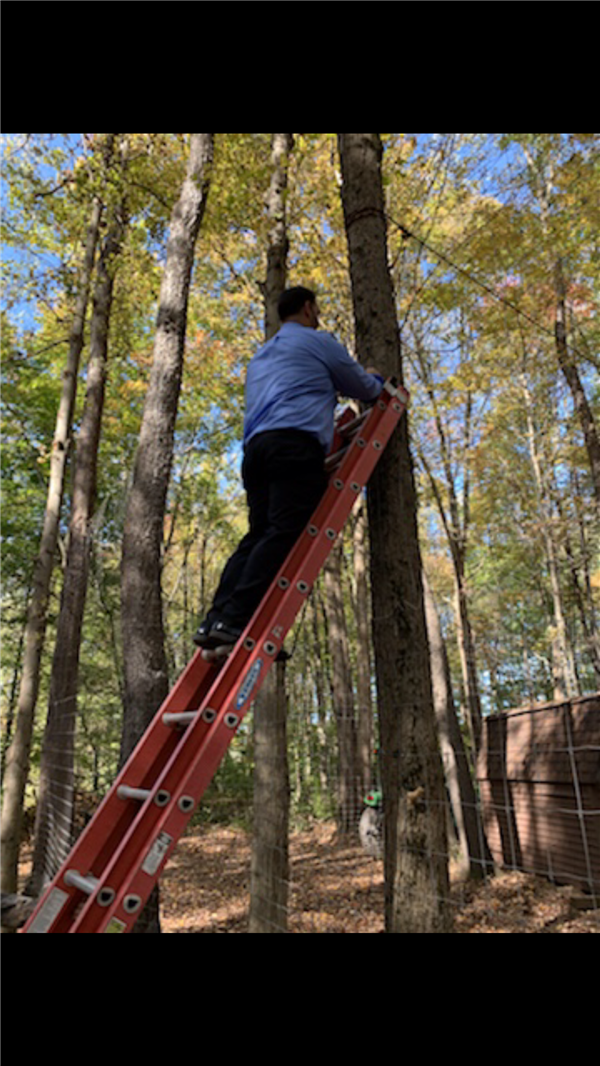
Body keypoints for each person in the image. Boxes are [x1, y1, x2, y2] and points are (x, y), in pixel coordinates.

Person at [194, 286, 384, 652]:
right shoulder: (318, 342)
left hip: (255, 452)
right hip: (294, 446)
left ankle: (215, 620)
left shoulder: (262, 356)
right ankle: (234, 620)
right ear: (309, 309)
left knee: (259, 534)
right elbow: (364, 389)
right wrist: (374, 376)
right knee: (283, 533)